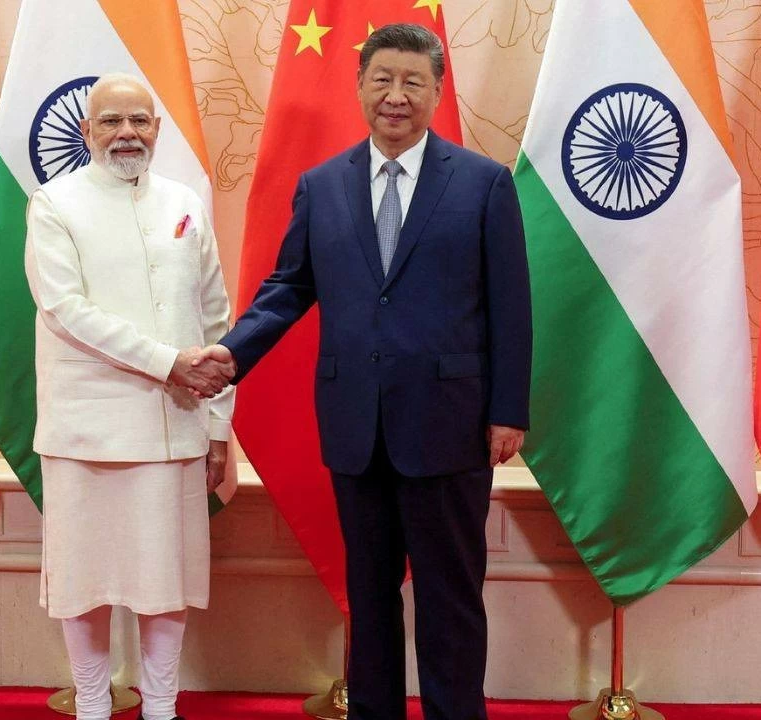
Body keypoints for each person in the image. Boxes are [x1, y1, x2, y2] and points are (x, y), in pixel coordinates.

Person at [196, 23, 531, 720]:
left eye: (413, 82)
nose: (396, 96)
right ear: (359, 87)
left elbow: (512, 307)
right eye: (382, 80)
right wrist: (234, 353)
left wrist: (509, 410)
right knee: (369, 597)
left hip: (450, 426)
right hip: (356, 427)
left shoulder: (484, 184)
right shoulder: (322, 187)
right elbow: (288, 287)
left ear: (437, 91)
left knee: (450, 600)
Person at [24, 73, 235, 720]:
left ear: (157, 131)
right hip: (84, 431)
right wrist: (169, 363)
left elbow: (216, 319)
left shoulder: (184, 202)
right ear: (87, 132)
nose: (126, 134)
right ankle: (92, 704)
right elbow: (64, 309)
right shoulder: (53, 204)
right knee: (84, 585)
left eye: (139, 121)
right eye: (111, 121)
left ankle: (161, 707)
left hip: (174, 429)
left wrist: (220, 424)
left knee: (162, 583)